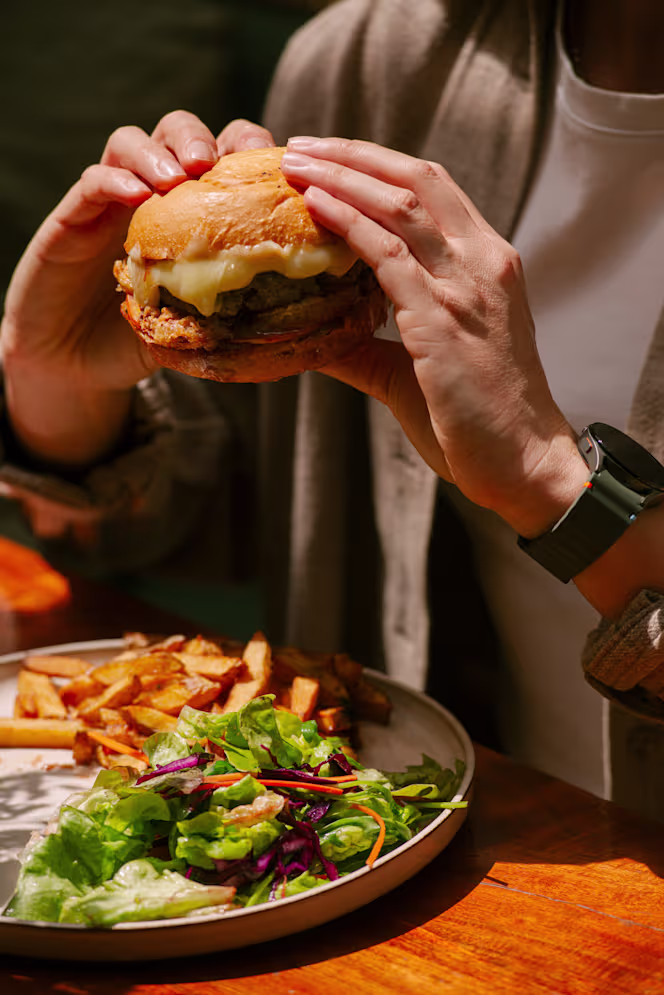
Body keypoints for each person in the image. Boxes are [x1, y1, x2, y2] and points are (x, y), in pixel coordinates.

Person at [2, 0, 664, 819]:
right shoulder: (367, 59)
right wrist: (54, 379)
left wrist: (552, 482)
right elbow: (231, 506)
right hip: (449, 839)